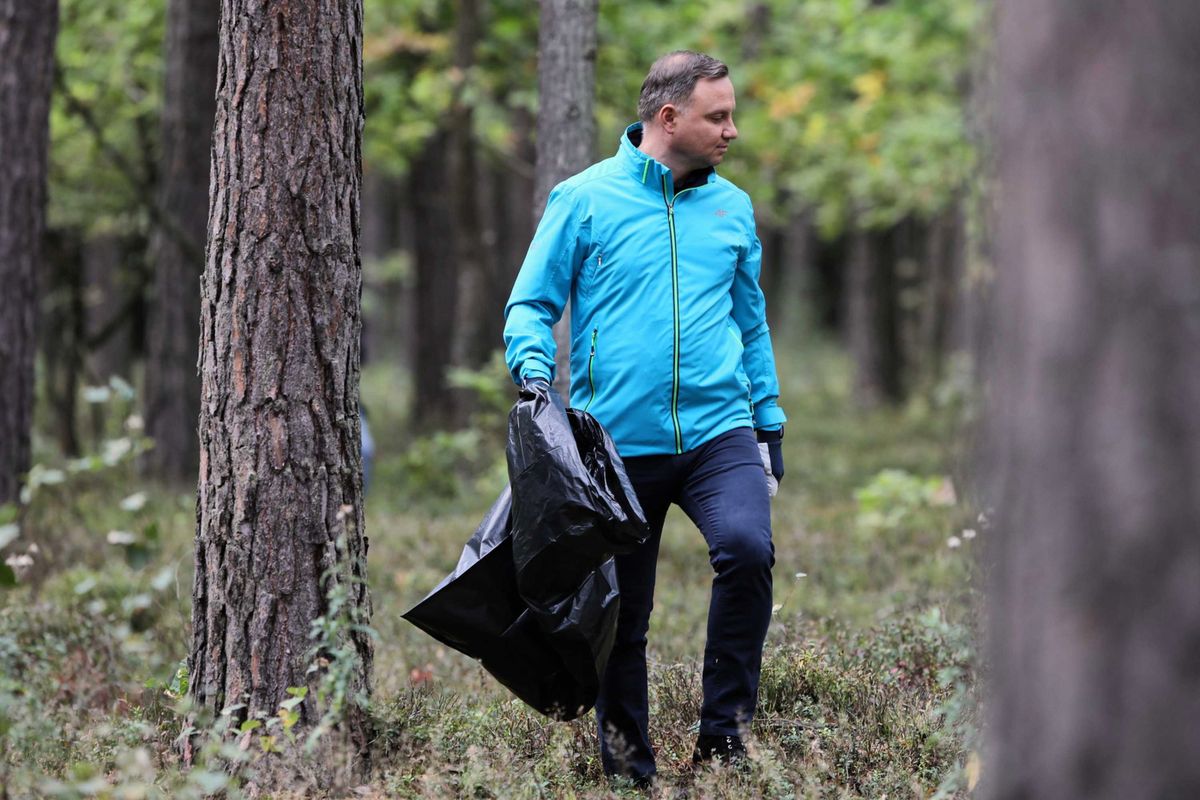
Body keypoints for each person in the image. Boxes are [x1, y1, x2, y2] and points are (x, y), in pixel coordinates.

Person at [503, 51, 786, 786]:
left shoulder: (733, 208)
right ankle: (631, 768)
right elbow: (531, 304)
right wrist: (536, 378)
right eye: (717, 115)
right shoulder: (584, 199)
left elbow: (750, 325)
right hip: (614, 447)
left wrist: (770, 423)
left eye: (731, 114)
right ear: (668, 118)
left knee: (747, 552)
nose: (732, 130)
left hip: (721, 432)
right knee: (624, 614)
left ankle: (726, 740)